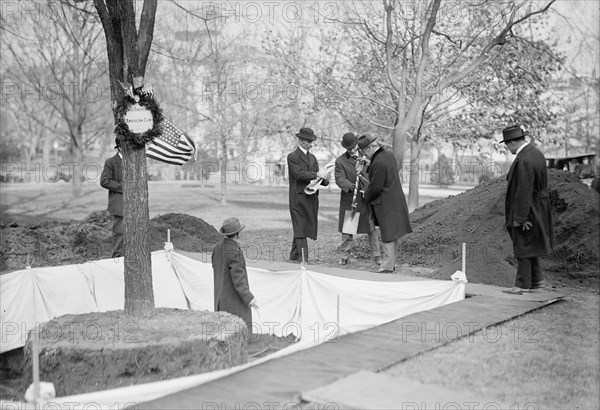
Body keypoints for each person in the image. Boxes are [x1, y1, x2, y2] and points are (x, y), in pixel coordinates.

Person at [500, 125, 554, 295]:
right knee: (531, 245)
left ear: (513, 142)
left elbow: (524, 189)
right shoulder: (536, 153)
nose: (508, 149)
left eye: (507, 145)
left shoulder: (524, 159)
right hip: (538, 206)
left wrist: (520, 217)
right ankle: (538, 281)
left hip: (529, 209)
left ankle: (522, 284)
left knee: (523, 244)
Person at [357, 134, 412, 273]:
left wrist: (366, 195)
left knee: (387, 234)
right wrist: (371, 165)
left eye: (364, 152)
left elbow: (376, 186)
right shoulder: (388, 155)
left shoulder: (378, 163)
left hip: (385, 203)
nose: (364, 155)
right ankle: (391, 264)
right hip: (395, 200)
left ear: (370, 148)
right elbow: (382, 169)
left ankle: (386, 266)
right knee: (392, 234)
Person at [334, 132, 381, 266]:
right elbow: (339, 178)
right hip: (351, 199)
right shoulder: (340, 161)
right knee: (348, 230)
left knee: (371, 229)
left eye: (354, 147)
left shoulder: (367, 155)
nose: (353, 150)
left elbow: (375, 172)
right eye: (350, 149)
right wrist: (350, 186)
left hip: (366, 198)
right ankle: (344, 256)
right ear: (346, 149)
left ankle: (377, 256)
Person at [287, 127, 331, 263]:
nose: (309, 143)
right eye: (306, 141)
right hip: (298, 197)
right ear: (300, 140)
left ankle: (294, 255)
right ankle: (303, 258)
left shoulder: (313, 158)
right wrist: (318, 174)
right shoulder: (292, 157)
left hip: (311, 197)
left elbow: (318, 178)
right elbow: (298, 174)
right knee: (300, 225)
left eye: (310, 141)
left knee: (302, 225)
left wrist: (325, 178)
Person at [212, 217, 259, 332]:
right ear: (238, 234)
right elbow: (238, 279)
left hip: (220, 301)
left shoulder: (217, 249)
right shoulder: (235, 251)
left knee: (222, 335)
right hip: (234, 303)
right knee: (239, 335)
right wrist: (249, 298)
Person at [100, 138, 124, 258]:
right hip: (118, 204)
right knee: (119, 234)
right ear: (120, 147)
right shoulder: (110, 162)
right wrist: (124, 187)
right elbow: (104, 181)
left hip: (133, 206)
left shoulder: (134, 162)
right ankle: (116, 260)